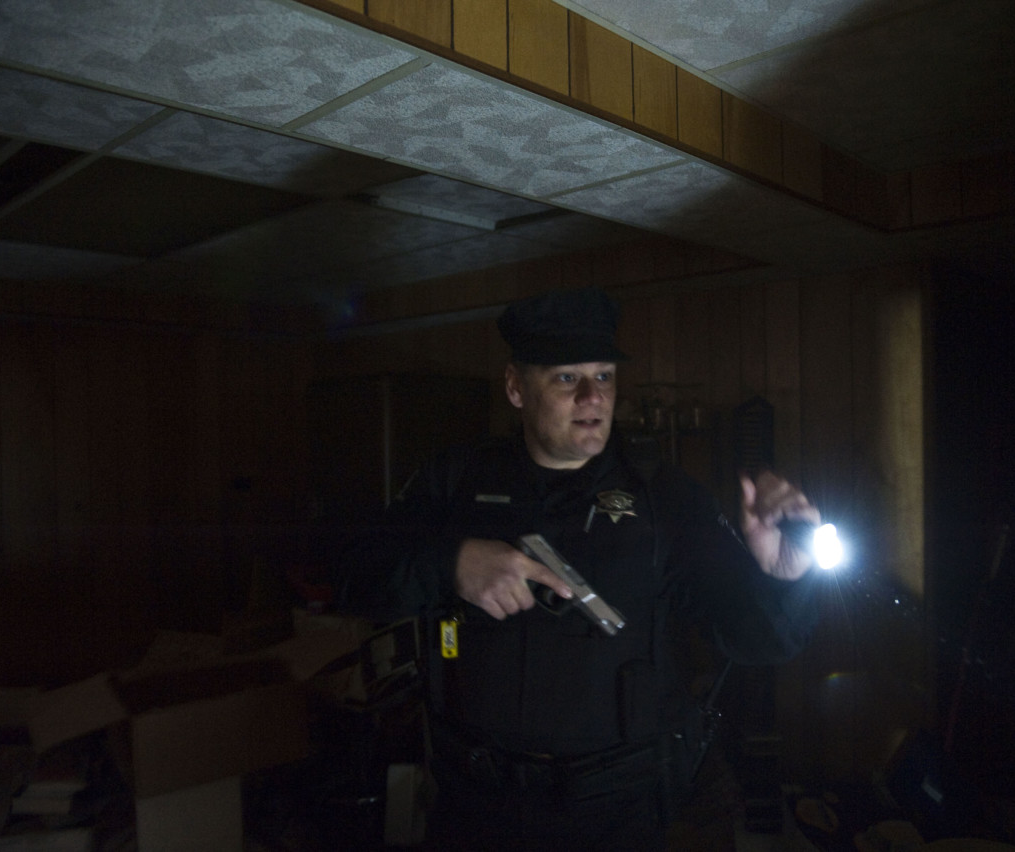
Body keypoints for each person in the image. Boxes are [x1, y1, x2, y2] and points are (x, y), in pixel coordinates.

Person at [334, 287, 823, 850]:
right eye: (567, 377)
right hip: (475, 800)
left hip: (615, 808)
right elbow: (354, 577)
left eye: (604, 376)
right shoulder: (455, 480)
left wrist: (784, 577)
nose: (593, 396)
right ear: (516, 387)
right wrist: (452, 564)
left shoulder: (665, 496)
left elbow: (762, 641)